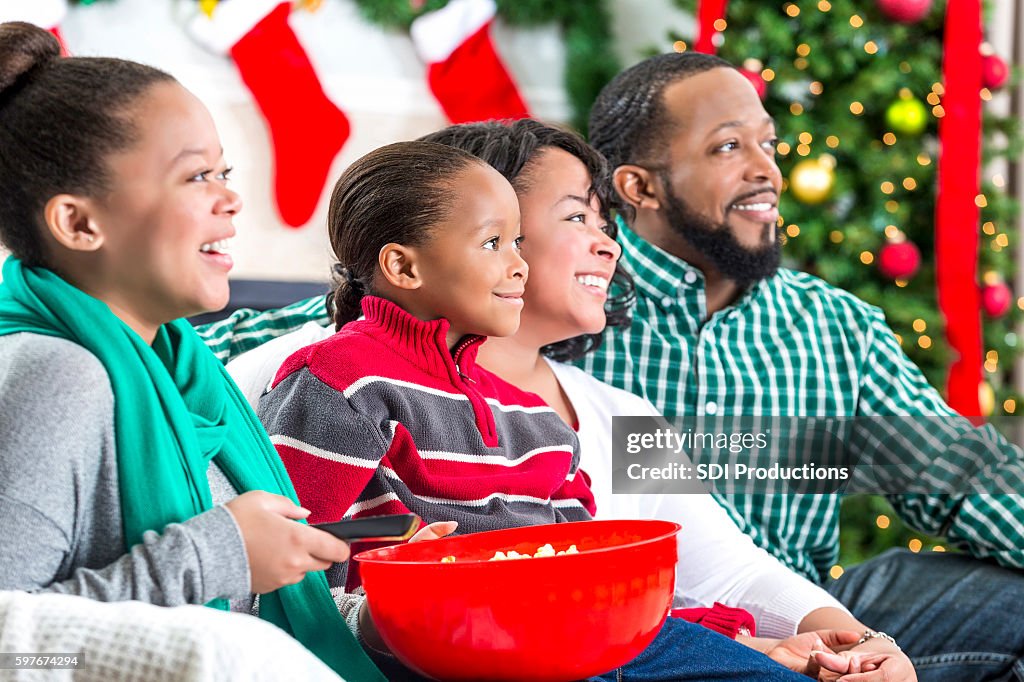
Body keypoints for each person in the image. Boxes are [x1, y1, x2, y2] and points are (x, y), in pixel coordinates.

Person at [253, 139, 834, 681]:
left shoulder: (551, 420)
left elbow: (627, 584)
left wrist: (782, 645)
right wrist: (393, 612)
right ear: (405, 266)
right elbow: (286, 577)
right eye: (496, 241)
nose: (519, 262)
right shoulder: (334, 378)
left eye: (517, 241)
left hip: (576, 646)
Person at [580, 52, 1024, 680]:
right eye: (728, 147)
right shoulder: (568, 312)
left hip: (813, 616)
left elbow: (958, 471)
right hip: (636, 639)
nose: (768, 172)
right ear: (640, 187)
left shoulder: (834, 326)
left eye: (768, 143)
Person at [0, 21, 383, 680]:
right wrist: (219, 551)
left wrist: (387, 617)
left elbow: (245, 622)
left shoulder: (185, 371)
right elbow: (17, 643)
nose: (232, 198)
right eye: (197, 176)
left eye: (224, 171)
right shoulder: (55, 372)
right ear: (79, 223)